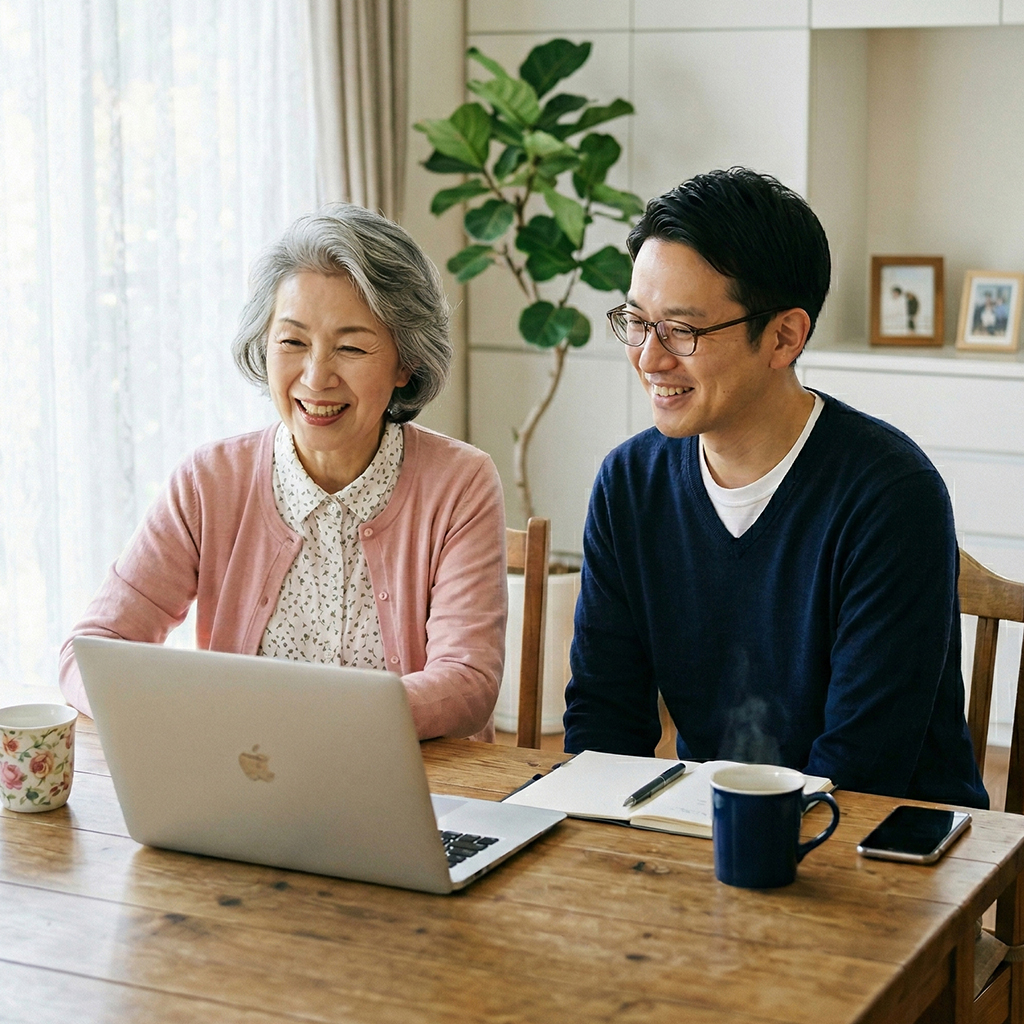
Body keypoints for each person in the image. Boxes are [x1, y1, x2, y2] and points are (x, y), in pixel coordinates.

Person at [564, 167, 987, 808]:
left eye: (683, 330)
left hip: (882, 849)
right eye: (635, 320)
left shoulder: (890, 496)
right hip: (712, 831)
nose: (649, 357)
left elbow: (862, 767)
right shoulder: (629, 485)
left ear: (785, 336)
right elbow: (603, 725)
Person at [59, 204, 506, 741]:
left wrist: (301, 722)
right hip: (247, 791)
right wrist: (177, 711)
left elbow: (467, 683)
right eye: (292, 341)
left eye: (351, 347)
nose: (316, 377)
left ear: (404, 362)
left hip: (422, 795)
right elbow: (90, 651)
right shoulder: (209, 481)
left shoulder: (461, 484)